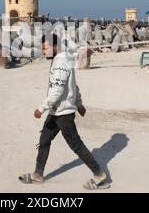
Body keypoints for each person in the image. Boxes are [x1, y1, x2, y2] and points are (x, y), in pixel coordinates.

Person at [19, 33, 109, 190]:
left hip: (63, 113)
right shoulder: (65, 58)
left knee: (76, 144)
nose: (43, 51)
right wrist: (79, 103)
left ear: (55, 47)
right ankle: (38, 175)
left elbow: (58, 90)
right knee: (44, 139)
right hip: (56, 111)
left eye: (45, 48)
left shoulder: (61, 63)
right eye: (42, 48)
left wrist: (41, 108)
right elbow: (73, 85)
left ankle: (99, 174)